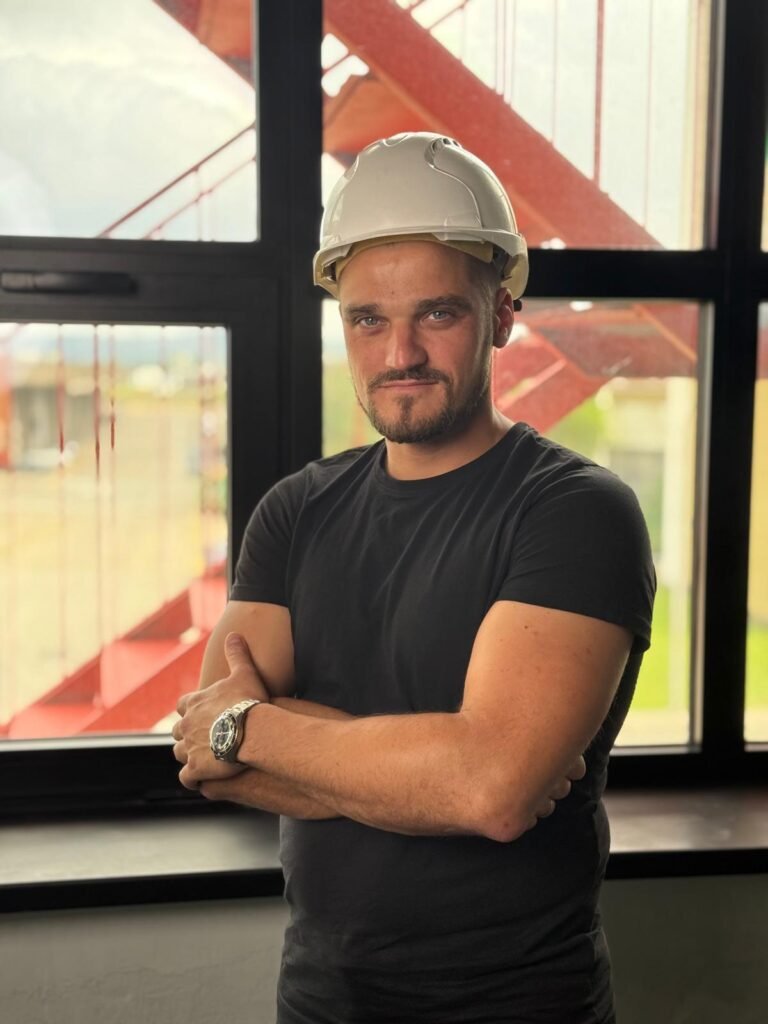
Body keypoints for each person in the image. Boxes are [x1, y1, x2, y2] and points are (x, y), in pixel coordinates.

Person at [173, 132, 655, 1024]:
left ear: (503, 314)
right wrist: (445, 765)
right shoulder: (294, 510)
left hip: (519, 1005)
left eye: (438, 313)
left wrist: (257, 726)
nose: (399, 353)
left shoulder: (577, 512)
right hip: (320, 999)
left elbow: (494, 792)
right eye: (367, 319)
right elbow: (209, 760)